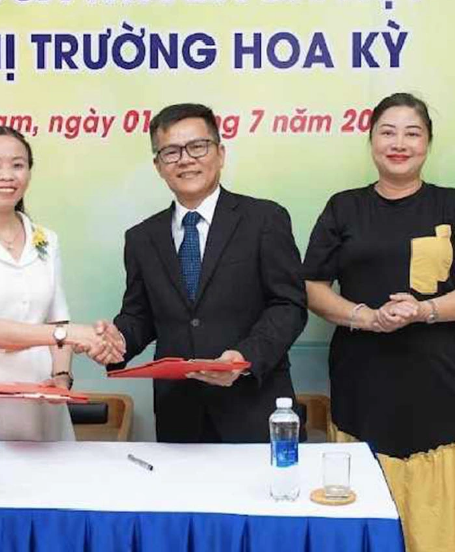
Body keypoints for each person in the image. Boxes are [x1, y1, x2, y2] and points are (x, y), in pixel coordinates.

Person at [302, 92, 455, 552]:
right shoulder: (344, 207)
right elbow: (312, 288)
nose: (399, 143)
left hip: (445, 385)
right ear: (372, 140)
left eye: (412, 133)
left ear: (428, 144)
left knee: (452, 530)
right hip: (365, 383)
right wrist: (365, 317)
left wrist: (425, 310)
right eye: (388, 132)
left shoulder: (453, 204)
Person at [109, 103, 307, 442]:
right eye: (171, 152)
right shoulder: (141, 238)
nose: (185, 159)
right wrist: (116, 341)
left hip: (253, 407)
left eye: (197, 147)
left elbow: (288, 306)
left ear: (220, 153)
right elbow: (140, 316)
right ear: (158, 166)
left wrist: (244, 358)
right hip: (179, 416)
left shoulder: (264, 219)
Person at [0, 125, 124, 440]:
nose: (7, 175)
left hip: (40, 397)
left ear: (29, 174)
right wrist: (68, 335)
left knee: (48, 485)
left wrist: (60, 380)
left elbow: (57, 316)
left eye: (18, 165)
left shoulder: (46, 239)